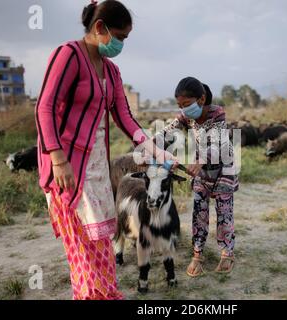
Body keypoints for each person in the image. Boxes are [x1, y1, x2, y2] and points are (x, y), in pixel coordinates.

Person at [35, 0, 176, 300]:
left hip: (98, 170)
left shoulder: (111, 71)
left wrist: (154, 150)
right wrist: (58, 160)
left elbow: (124, 116)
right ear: (100, 28)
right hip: (69, 170)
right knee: (83, 250)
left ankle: (105, 294)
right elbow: (44, 109)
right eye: (120, 37)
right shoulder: (68, 56)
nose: (122, 44)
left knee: (101, 244)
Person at [155, 77, 239, 277]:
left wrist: (200, 160)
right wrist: (149, 145)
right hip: (201, 169)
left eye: (186, 104)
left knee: (224, 212)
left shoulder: (217, 115)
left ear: (201, 100)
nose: (183, 110)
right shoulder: (186, 117)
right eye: (180, 106)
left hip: (223, 169)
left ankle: (227, 253)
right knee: (199, 211)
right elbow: (168, 132)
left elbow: (218, 144)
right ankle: (198, 254)